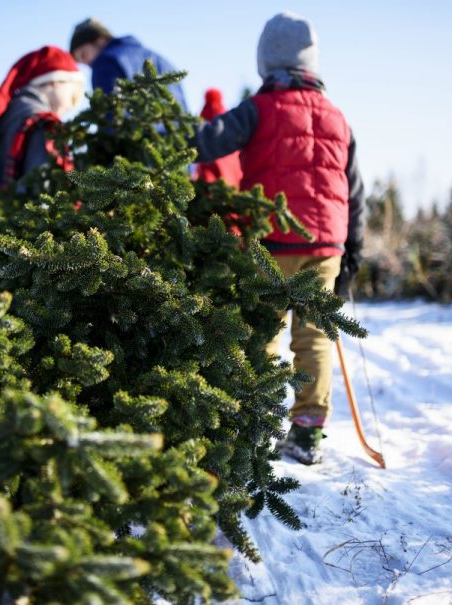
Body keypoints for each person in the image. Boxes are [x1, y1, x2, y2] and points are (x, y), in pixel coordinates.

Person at [192, 12, 366, 465]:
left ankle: (263, 421)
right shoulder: (337, 117)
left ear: (265, 63)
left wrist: (166, 133)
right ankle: (307, 434)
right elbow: (356, 192)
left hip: (271, 240)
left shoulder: (259, 108)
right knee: (314, 338)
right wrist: (352, 256)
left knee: (264, 332)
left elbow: (208, 143)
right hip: (325, 246)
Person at [0, 46, 84, 194]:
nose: (71, 106)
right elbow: (43, 195)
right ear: (55, 82)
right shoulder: (43, 122)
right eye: (73, 94)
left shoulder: (11, 112)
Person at [69, 17, 188, 111]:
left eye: (83, 55)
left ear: (100, 39)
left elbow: (110, 112)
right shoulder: (162, 60)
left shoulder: (105, 61)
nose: (86, 64)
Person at [196, 88, 242, 187]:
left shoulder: (205, 128)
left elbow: (207, 171)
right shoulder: (228, 125)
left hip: (214, 192)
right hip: (233, 189)